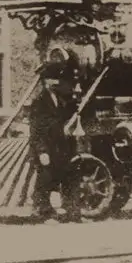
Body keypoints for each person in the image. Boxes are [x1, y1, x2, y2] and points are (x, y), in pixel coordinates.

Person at [28, 74, 80, 223]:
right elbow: (35, 130)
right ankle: (42, 213)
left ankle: (72, 213)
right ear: (45, 82)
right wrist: (41, 151)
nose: (55, 82)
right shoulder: (39, 102)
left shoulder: (61, 98)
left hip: (61, 147)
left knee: (68, 177)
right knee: (45, 179)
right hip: (47, 148)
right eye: (52, 79)